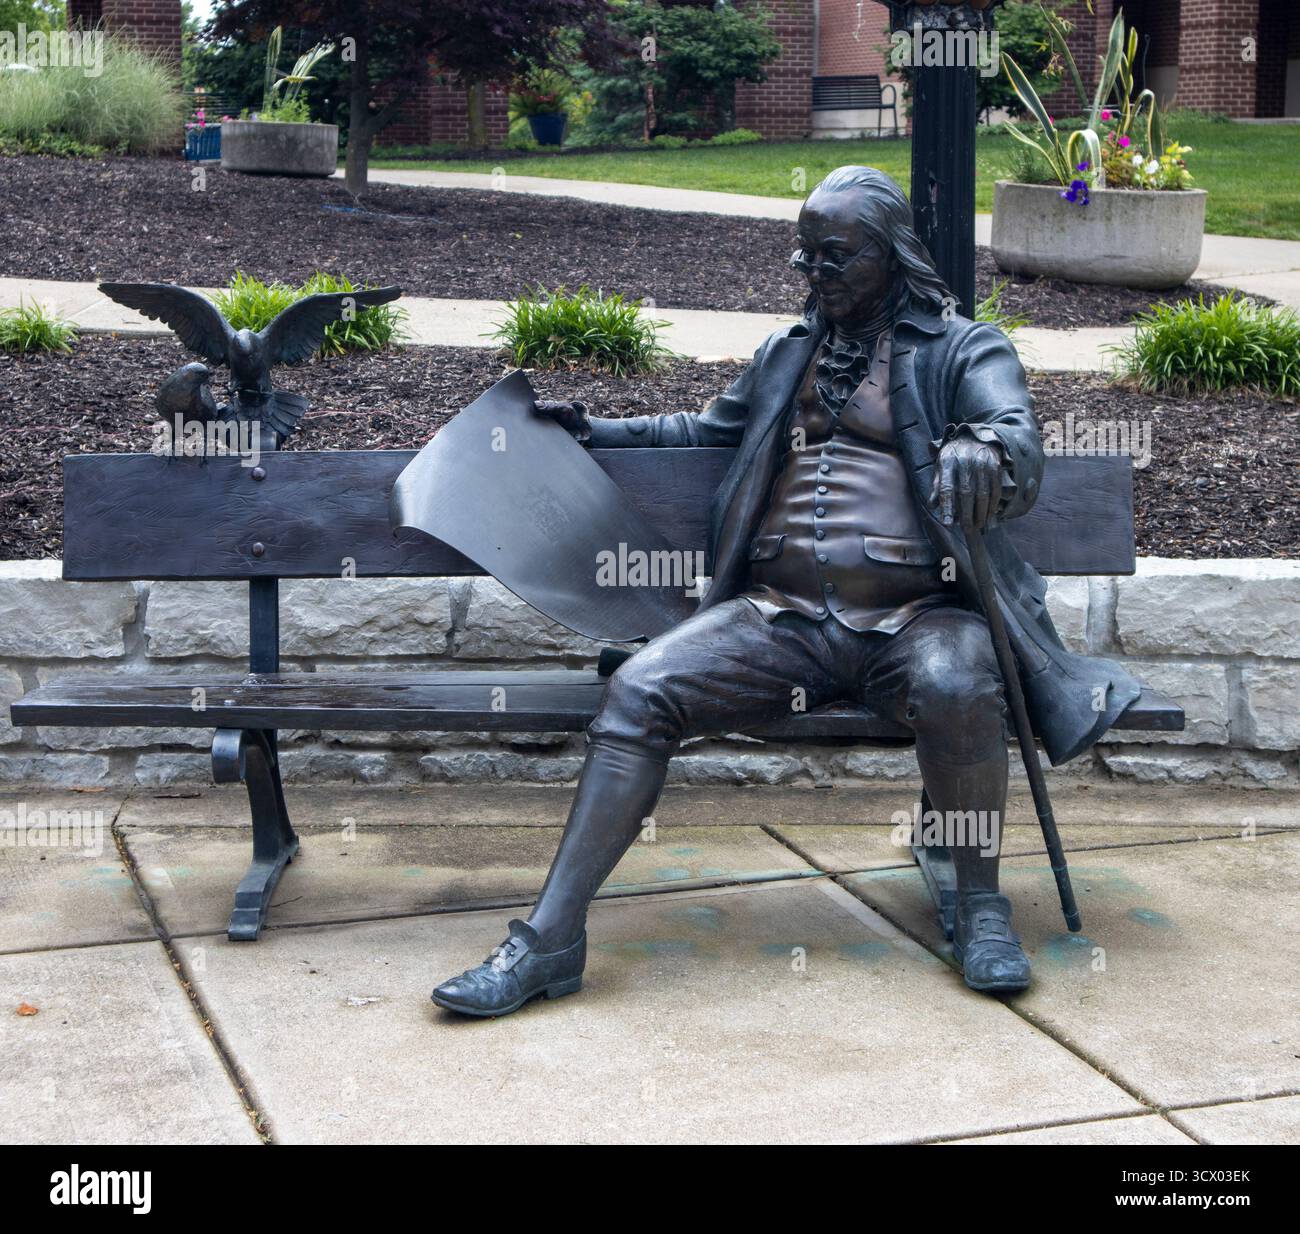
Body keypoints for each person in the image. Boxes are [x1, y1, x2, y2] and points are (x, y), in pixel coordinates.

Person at [430, 166, 1140, 1017]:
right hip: (779, 619)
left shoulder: (961, 348)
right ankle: (549, 942)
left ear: (890, 255)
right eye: (805, 259)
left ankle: (981, 905)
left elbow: (1017, 442)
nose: (813, 276)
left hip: (921, 616)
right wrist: (597, 429)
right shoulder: (787, 354)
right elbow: (702, 431)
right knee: (638, 689)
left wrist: (985, 450)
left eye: (833, 258)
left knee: (960, 682)